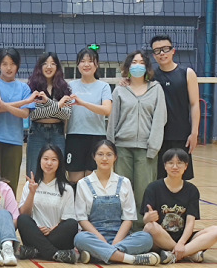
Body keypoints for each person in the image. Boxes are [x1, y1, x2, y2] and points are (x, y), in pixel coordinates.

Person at [73, 140, 160, 265]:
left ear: (115, 157)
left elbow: (128, 219)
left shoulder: (124, 182)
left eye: (109, 154)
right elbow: (82, 219)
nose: (104, 158)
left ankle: (99, 254)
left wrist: (115, 242)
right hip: (94, 236)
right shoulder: (83, 183)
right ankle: (130, 259)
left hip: (120, 238)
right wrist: (101, 240)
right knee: (80, 238)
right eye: (100, 154)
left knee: (146, 238)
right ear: (94, 157)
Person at [107, 50, 166, 218]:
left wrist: (153, 147)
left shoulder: (156, 89)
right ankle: (123, 227)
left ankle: (141, 228)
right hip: (122, 148)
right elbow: (112, 120)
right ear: (128, 66)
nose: (137, 66)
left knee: (143, 192)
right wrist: (111, 149)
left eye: (141, 63)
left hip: (146, 149)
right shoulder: (120, 90)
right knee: (122, 192)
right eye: (134, 62)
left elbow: (160, 119)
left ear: (147, 67)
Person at [142, 148, 217, 263]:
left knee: (216, 230)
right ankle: (189, 254)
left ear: (186, 166)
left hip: (184, 238)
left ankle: (173, 255)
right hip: (161, 237)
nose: (175, 167)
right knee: (149, 227)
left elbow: (190, 222)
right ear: (165, 166)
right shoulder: (153, 188)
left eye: (179, 163)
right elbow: (145, 220)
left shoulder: (192, 190)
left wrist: (181, 243)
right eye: (171, 163)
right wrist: (148, 218)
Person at [0, 47, 38, 195]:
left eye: (12, 64)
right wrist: (24, 101)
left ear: (18, 66)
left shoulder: (23, 88)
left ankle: (9, 210)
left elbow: (24, 114)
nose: (8, 68)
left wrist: (4, 105)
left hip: (14, 141)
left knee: (10, 185)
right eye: (4, 64)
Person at [16, 145, 79, 262]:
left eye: (54, 160)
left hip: (56, 235)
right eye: (45, 159)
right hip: (35, 234)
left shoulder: (67, 188)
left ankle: (36, 251)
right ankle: (56, 254)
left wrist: (52, 229)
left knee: (72, 224)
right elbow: (24, 213)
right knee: (23, 219)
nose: (49, 163)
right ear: (40, 160)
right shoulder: (30, 185)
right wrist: (32, 193)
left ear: (59, 163)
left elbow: (66, 218)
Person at [150, 34, 201, 180]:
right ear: (154, 55)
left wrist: (194, 133)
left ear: (173, 51)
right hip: (158, 136)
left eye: (165, 49)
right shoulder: (151, 76)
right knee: (159, 178)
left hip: (181, 135)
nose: (162, 53)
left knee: (180, 177)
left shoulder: (187, 73)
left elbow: (194, 104)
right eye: (157, 51)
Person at [64, 47, 112, 184]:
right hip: (74, 136)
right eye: (82, 61)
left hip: (96, 137)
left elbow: (107, 110)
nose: (86, 64)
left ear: (96, 64)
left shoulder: (104, 86)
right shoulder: (70, 86)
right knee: (75, 179)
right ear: (78, 64)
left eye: (90, 61)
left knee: (92, 180)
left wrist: (83, 103)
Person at [25, 52, 72, 176]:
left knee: (58, 172)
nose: (49, 67)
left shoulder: (64, 88)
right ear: (40, 66)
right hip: (37, 132)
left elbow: (66, 114)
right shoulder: (32, 87)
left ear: (57, 67)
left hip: (58, 132)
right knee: (33, 172)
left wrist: (47, 103)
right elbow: (35, 114)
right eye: (45, 63)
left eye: (52, 63)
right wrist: (58, 105)